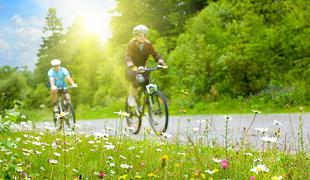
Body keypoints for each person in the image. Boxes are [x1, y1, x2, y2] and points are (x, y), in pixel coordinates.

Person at [125, 24, 166, 106]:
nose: (142, 37)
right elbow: (128, 56)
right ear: (135, 36)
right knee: (138, 79)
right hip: (132, 68)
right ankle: (131, 97)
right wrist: (132, 66)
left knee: (147, 81)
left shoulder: (148, 44)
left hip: (143, 68)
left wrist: (160, 61)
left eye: (144, 35)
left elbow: (155, 54)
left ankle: (145, 100)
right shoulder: (131, 44)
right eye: (140, 35)